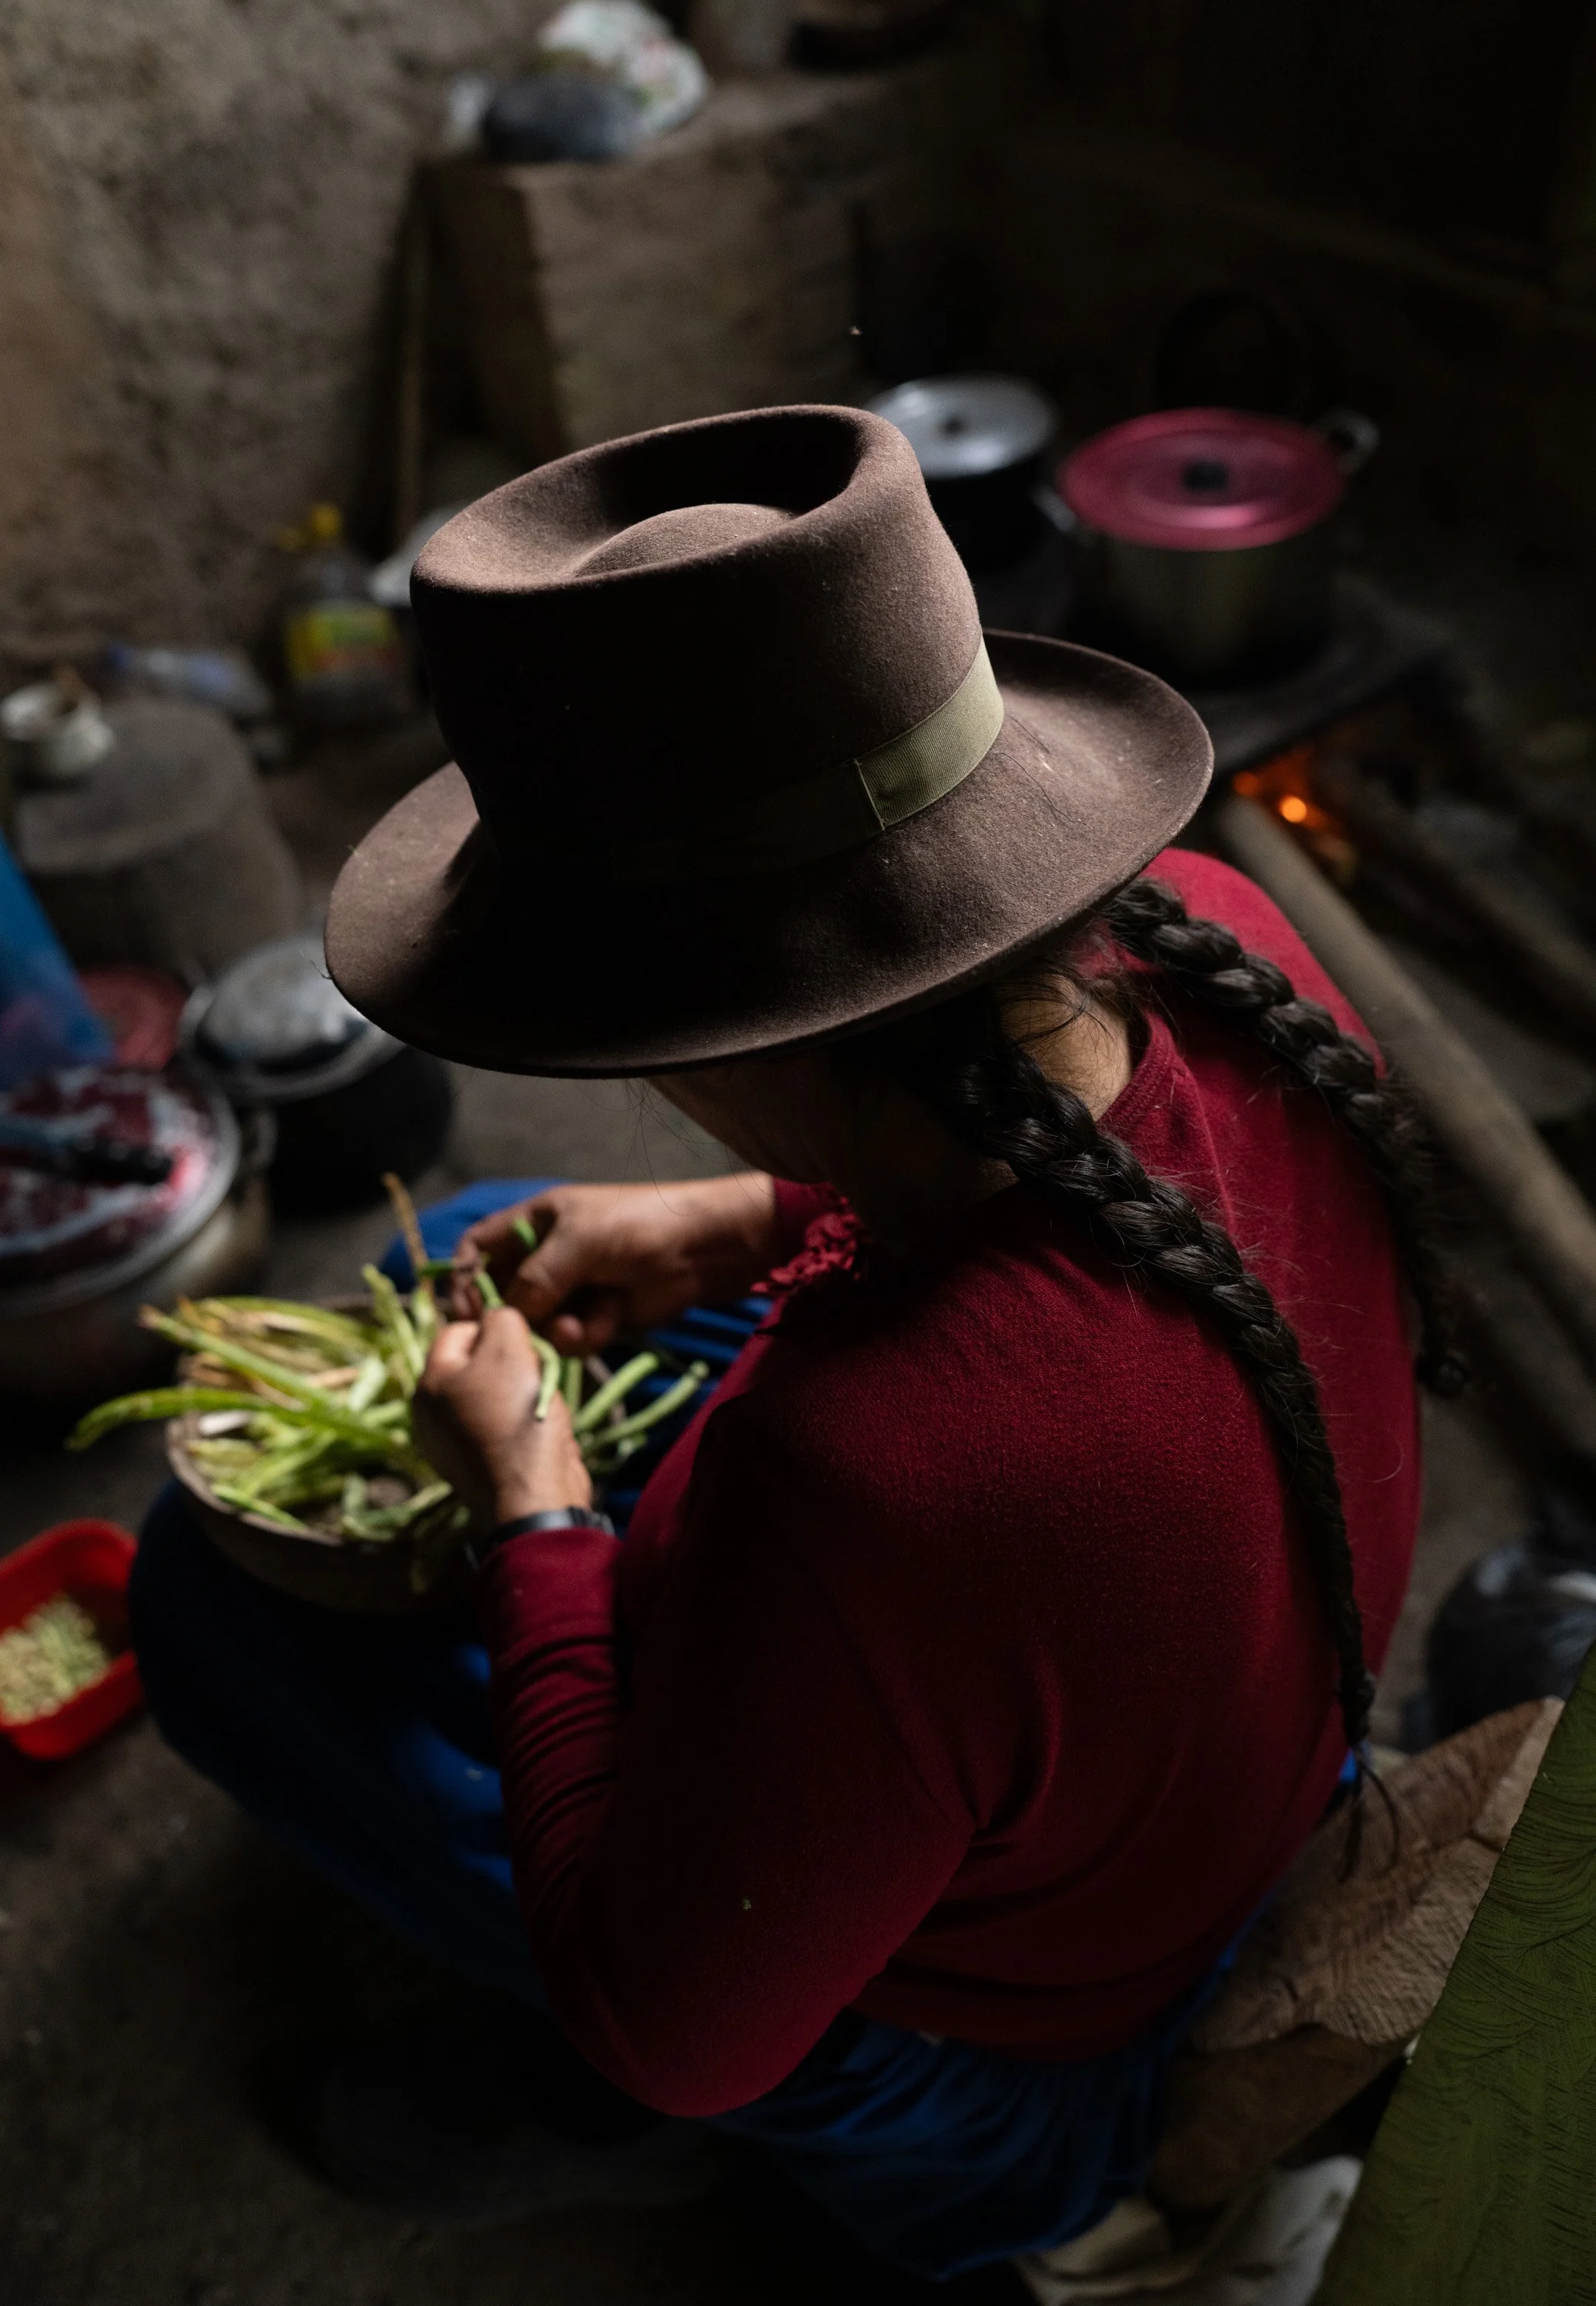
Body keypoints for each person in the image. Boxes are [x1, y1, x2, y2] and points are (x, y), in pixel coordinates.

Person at [131, 406, 1456, 2285]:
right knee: (454, 1255)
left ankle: (708, 2160)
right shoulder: (1220, 933)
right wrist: (738, 1219)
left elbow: (677, 2020)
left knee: (205, 1609)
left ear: (705, 1029)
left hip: (1030, 2070)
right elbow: (1054, 1198)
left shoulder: (865, 1478)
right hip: (1210, 1761)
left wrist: (538, 1520)